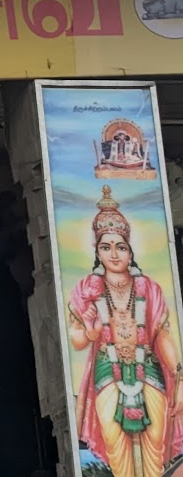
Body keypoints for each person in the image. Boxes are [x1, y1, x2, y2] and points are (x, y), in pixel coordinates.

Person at [67, 186, 183, 477]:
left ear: (130, 251)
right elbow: (76, 339)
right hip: (108, 368)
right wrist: (91, 334)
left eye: (121, 246)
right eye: (106, 247)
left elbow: (162, 333)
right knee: (115, 444)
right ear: (97, 251)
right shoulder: (86, 289)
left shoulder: (149, 288)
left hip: (149, 369)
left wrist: (179, 375)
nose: (114, 253)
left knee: (156, 445)